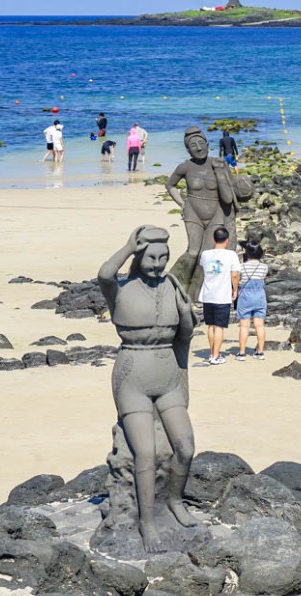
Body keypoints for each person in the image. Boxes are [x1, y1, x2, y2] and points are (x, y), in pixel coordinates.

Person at [97, 225, 198, 554]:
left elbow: (185, 334)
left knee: (185, 446)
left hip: (167, 374)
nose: (158, 264)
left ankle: (174, 501)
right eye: (152, 258)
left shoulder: (171, 285)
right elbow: (104, 273)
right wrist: (128, 245)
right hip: (133, 376)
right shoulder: (122, 289)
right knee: (146, 453)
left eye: (164, 258)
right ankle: (147, 522)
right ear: (139, 258)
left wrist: (186, 316)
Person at [166, 126, 237, 295]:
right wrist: (181, 203)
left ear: (207, 144)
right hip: (193, 212)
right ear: (187, 149)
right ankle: (174, 285)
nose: (198, 148)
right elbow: (170, 185)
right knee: (192, 251)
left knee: (206, 254)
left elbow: (228, 198)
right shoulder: (185, 167)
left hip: (215, 213)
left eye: (201, 143)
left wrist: (220, 171)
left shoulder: (218, 164)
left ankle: (196, 293)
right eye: (193, 145)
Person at [198, 227, 240, 365]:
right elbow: (234, 275)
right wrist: (235, 290)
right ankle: (215, 356)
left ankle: (213, 353)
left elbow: (203, 268)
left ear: (213, 239)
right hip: (222, 295)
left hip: (208, 294)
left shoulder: (205, 254)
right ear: (227, 240)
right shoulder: (231, 255)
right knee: (219, 327)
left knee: (210, 326)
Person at [235, 239, 268, 361]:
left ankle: (242, 353)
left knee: (244, 326)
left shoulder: (241, 267)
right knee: (259, 325)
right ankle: (260, 352)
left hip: (245, 296)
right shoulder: (264, 267)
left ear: (247, 253)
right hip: (259, 296)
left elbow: (238, 280)